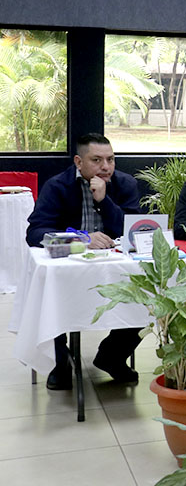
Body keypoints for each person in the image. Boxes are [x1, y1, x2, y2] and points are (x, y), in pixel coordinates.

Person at [25, 133, 142, 390]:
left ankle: (111, 356)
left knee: (147, 292)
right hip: (69, 268)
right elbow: (35, 233)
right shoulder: (57, 186)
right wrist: (81, 241)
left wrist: (104, 200)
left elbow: (131, 231)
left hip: (114, 266)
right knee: (50, 293)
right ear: (79, 161)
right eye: (97, 160)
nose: (106, 167)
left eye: (110, 159)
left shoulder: (125, 184)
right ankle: (60, 361)